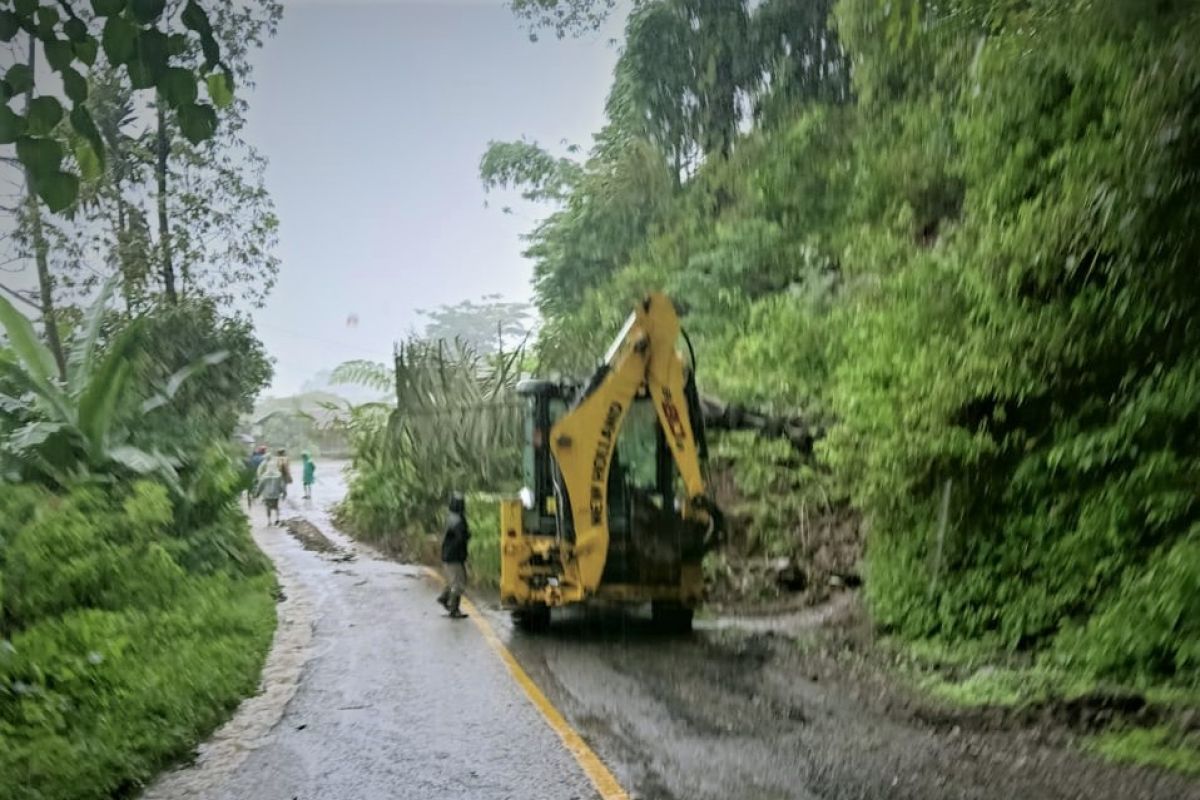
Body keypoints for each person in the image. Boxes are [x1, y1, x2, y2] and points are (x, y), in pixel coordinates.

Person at [436, 494, 470, 619]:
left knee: (454, 580)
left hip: (449, 555)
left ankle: (444, 598)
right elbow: (461, 538)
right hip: (454, 556)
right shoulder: (458, 521)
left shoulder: (450, 518)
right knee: (459, 582)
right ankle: (453, 608)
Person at [256, 452, 285, 527]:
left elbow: (260, 486)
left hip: (267, 495)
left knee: (268, 508)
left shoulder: (264, 476)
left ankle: (269, 521)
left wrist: (257, 494)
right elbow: (281, 486)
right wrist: (284, 493)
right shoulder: (278, 475)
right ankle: (277, 518)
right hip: (276, 495)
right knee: (276, 507)